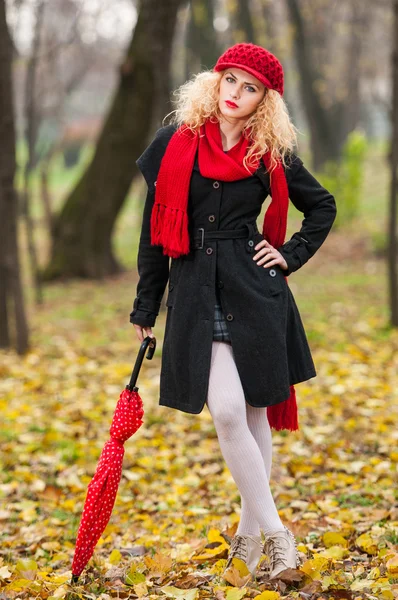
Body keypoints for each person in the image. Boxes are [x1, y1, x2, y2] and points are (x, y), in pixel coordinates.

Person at [130, 42, 337, 583]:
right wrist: (146, 302)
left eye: (250, 89)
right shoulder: (173, 141)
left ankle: (248, 541)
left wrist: (288, 255)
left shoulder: (269, 150)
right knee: (226, 409)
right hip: (196, 292)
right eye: (230, 81)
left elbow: (322, 206)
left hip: (255, 291)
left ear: (263, 101)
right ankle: (278, 537)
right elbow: (155, 231)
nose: (235, 95)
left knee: (253, 413)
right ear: (214, 80)